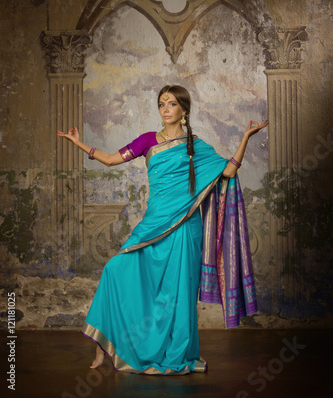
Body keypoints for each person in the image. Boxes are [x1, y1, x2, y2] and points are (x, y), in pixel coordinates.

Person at [56, 85, 268, 375]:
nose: (165, 109)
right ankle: (104, 345)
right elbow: (109, 159)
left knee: (179, 293)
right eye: (161, 104)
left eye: (171, 104)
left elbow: (228, 171)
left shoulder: (196, 145)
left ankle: (178, 352)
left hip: (185, 227)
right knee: (115, 270)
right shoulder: (147, 140)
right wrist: (79, 143)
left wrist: (245, 138)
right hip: (153, 224)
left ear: (184, 110)